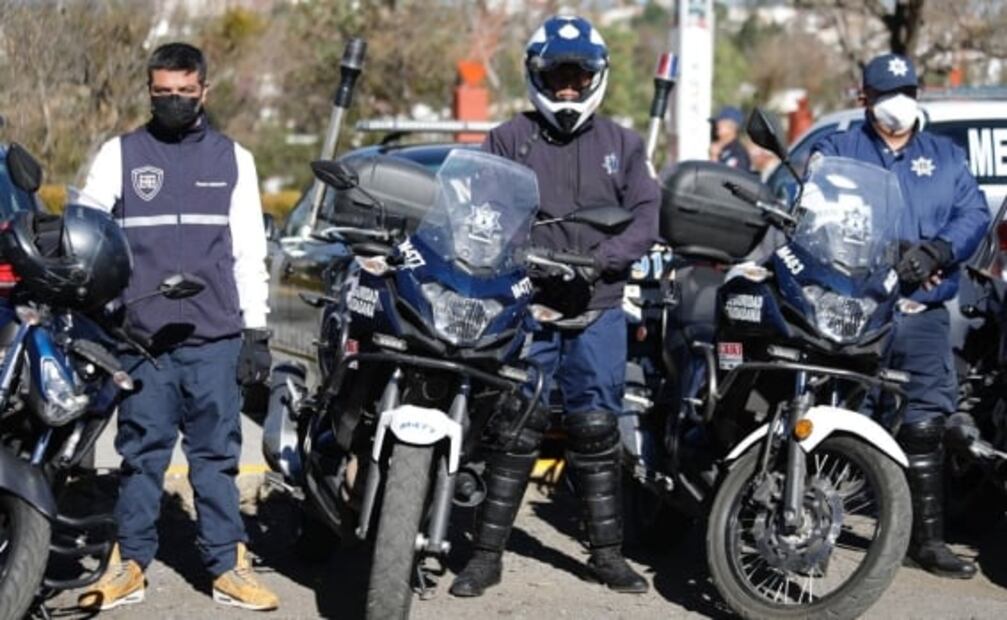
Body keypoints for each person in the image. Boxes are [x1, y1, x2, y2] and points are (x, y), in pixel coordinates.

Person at [449, 15, 660, 598]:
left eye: (579, 76)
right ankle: (484, 557)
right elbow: (479, 211)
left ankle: (607, 556)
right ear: (536, 75)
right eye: (557, 76)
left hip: (600, 306)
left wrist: (603, 259)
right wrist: (517, 252)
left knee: (596, 430)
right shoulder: (506, 139)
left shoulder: (624, 144)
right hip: (527, 307)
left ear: (597, 77)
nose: (568, 88)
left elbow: (648, 218)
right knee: (515, 429)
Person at [76, 42, 278, 610]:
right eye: (163, 92)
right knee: (142, 457)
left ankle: (227, 565)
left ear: (204, 91)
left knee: (216, 459)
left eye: (185, 93)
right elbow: (88, 232)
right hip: (144, 340)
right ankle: (130, 564)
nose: (173, 101)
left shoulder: (234, 159)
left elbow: (249, 253)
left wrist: (256, 332)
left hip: (215, 337)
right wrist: (104, 314)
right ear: (149, 90)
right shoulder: (119, 155)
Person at [812, 53, 989, 579]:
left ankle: (925, 540)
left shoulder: (945, 157)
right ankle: (813, 532)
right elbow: (816, 209)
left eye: (907, 91)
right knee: (844, 411)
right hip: (856, 309)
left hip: (923, 310)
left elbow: (973, 213)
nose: (899, 102)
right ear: (864, 97)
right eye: (887, 93)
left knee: (925, 423)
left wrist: (937, 251)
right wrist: (888, 249)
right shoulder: (840, 149)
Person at [709, 105, 752, 171]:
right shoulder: (722, 147)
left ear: (732, 127)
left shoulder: (738, 152)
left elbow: (730, 176)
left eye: (722, 124)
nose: (716, 125)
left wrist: (714, 157)